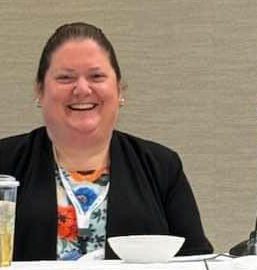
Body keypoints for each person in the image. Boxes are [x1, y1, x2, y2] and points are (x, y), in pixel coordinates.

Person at [0, 22, 213, 261]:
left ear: (119, 89)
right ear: (40, 91)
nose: (82, 89)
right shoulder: (5, 161)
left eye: (96, 76)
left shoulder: (161, 166)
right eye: (65, 77)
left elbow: (196, 260)